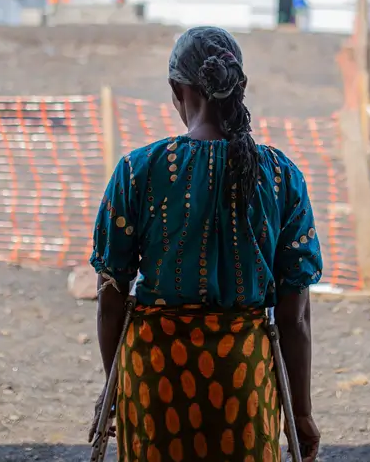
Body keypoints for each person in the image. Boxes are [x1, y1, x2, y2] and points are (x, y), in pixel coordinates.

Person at [89, 26, 323, 462]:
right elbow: (294, 318)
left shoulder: (138, 172)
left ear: (178, 90)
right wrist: (302, 413)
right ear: (240, 86)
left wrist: (114, 387)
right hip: (244, 382)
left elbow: (110, 299)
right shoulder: (281, 177)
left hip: (156, 378)